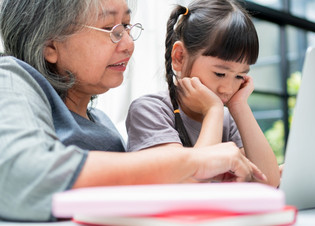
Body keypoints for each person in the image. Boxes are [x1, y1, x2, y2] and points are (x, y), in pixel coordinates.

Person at [0, 0, 267, 222]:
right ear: (51, 46)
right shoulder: (11, 77)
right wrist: (196, 161)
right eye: (111, 28)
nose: (128, 44)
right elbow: (22, 173)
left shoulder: (102, 124)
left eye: (127, 27)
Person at [126, 0, 280, 187]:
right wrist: (213, 110)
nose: (228, 88)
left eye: (240, 76)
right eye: (220, 73)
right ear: (179, 57)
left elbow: (269, 182)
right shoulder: (150, 111)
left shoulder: (227, 120)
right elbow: (191, 187)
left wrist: (239, 106)